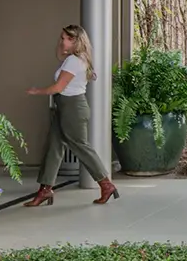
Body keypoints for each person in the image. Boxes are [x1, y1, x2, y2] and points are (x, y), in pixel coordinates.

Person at [23, 24, 119, 207]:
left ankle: (106, 184)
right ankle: (45, 190)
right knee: (54, 146)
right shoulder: (74, 59)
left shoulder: (75, 61)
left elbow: (59, 87)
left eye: (66, 38)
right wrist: (62, 47)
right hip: (66, 107)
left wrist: (37, 91)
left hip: (73, 108)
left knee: (80, 146)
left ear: (75, 40)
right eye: (61, 37)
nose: (61, 41)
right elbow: (59, 56)